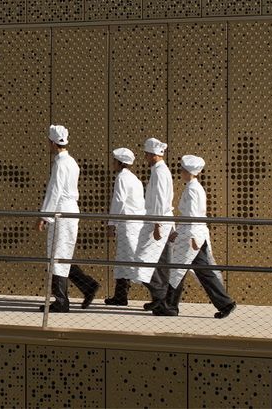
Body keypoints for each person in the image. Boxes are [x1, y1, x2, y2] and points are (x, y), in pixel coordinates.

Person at [152, 154, 237, 319]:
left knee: (178, 269)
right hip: (195, 234)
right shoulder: (195, 187)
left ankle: (170, 306)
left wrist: (181, 234)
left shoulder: (191, 189)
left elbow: (190, 216)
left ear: (188, 171)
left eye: (182, 170)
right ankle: (224, 303)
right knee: (200, 271)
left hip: (191, 236)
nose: (180, 172)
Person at [35, 124, 99, 311]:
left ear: (53, 143)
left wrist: (44, 216)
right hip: (71, 210)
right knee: (63, 254)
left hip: (61, 211)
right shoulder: (71, 162)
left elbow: (54, 191)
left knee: (56, 256)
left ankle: (61, 301)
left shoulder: (60, 164)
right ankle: (87, 285)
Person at [103, 147, 150, 305]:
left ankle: (159, 295)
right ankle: (120, 296)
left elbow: (118, 202)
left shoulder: (122, 178)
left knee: (133, 260)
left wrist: (111, 223)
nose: (112, 164)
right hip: (132, 225)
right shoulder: (134, 179)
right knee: (123, 260)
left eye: (113, 161)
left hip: (128, 225)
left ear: (119, 162)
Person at [140, 137, 175, 311]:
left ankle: (161, 295)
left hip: (158, 222)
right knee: (159, 263)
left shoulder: (160, 172)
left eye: (146, 154)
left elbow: (161, 200)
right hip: (160, 221)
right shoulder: (159, 170)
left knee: (142, 260)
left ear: (153, 155)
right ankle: (159, 298)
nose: (145, 157)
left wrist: (157, 225)